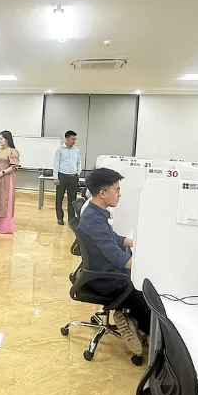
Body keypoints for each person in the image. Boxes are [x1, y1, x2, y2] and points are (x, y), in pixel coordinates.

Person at [76, 168, 150, 356]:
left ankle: (129, 319)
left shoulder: (96, 212)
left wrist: (134, 242)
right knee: (145, 292)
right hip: (104, 279)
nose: (119, 195)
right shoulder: (93, 219)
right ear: (102, 193)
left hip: (102, 270)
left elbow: (112, 239)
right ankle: (140, 328)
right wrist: (146, 266)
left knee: (139, 283)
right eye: (116, 190)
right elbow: (115, 256)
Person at [0, 130, 21, 234]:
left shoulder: (12, 151)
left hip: (7, 179)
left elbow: (14, 166)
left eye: (1, 138)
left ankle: (4, 227)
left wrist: (3, 172)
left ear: (7, 140)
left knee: (5, 201)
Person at [53, 130, 82, 225]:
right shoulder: (60, 150)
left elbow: (79, 163)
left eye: (75, 139)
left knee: (72, 199)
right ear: (67, 139)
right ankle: (60, 218)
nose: (74, 141)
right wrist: (55, 177)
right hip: (62, 176)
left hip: (73, 177)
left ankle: (71, 219)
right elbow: (56, 164)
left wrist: (78, 173)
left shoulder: (76, 150)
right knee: (59, 198)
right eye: (72, 139)